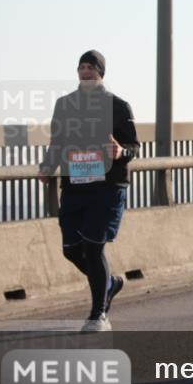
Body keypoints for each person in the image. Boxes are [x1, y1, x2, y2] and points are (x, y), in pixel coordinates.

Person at [37, 51, 138, 332]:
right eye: (81, 67)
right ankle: (109, 284)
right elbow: (57, 142)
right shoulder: (65, 105)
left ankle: (98, 315)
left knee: (93, 248)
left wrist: (120, 151)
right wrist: (47, 167)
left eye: (91, 67)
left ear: (101, 72)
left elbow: (133, 148)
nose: (85, 72)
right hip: (75, 186)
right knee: (71, 250)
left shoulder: (118, 106)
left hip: (107, 188)